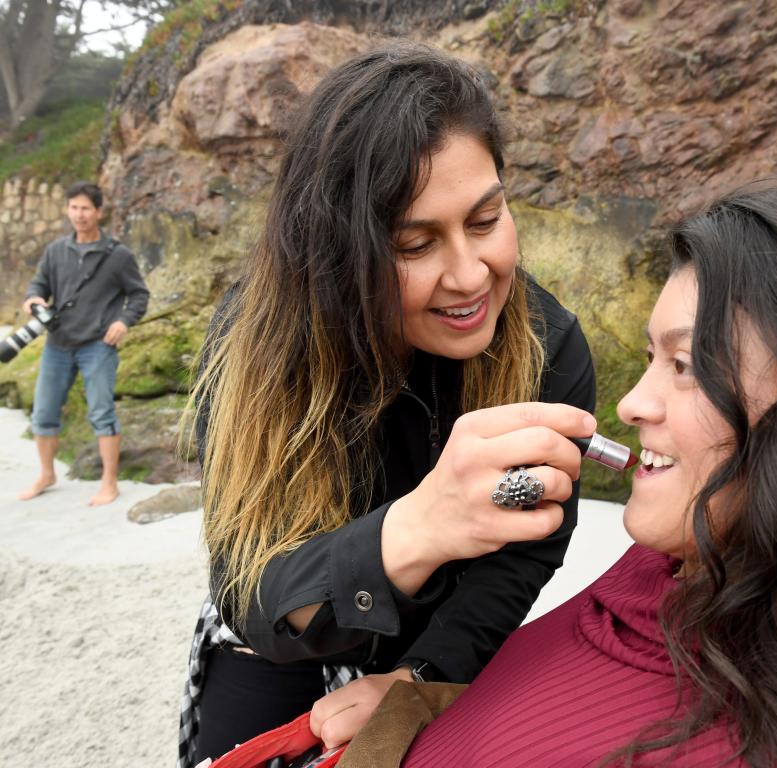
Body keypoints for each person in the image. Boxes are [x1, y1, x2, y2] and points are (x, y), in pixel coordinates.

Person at [393, 180, 777, 767]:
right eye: (649, 358)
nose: (631, 405)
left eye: (686, 365)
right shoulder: (685, 557)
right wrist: (417, 703)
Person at [178, 42, 596, 766]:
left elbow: (523, 556)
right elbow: (251, 590)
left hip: (445, 641)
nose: (470, 276)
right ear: (337, 251)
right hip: (279, 641)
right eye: (413, 243)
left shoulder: (547, 345)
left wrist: (419, 677)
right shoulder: (259, 337)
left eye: (487, 219)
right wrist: (417, 529)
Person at [19, 181, 150, 506]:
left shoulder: (118, 256)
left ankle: (109, 482)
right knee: (44, 413)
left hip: (98, 346)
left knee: (102, 414)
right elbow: (39, 284)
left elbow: (139, 294)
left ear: (99, 212)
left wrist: (123, 321)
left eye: (85, 208)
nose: (79, 214)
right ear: (68, 210)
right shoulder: (55, 251)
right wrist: (33, 298)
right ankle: (47, 474)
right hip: (57, 344)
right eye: (74, 208)